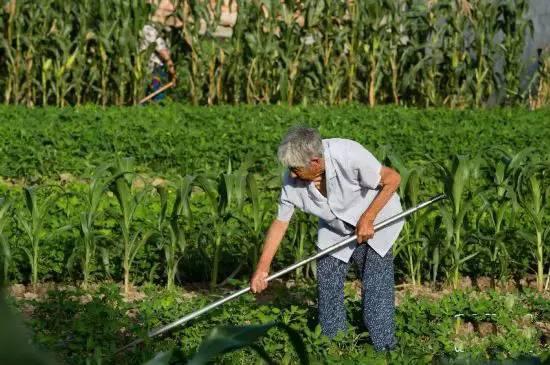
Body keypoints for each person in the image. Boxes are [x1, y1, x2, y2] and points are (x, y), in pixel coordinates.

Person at [250, 126, 404, 352]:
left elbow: (393, 178)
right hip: (335, 230)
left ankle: (386, 349)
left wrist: (368, 218)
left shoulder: (348, 154)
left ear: (315, 161)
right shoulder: (292, 178)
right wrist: (262, 268)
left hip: (375, 221)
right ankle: (334, 348)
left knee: (376, 290)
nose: (292, 174)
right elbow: (281, 222)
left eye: (295, 168)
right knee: (327, 284)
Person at [140, 0, 182, 101]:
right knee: (157, 94)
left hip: (158, 67)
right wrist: (171, 65)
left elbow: (179, 23)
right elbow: (162, 51)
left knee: (156, 93)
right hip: (153, 67)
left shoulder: (162, 27)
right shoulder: (149, 28)